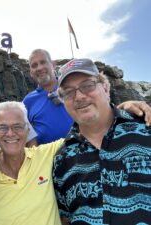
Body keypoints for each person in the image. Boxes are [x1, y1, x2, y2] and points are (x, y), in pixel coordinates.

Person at [0, 101, 151, 225]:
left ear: (27, 129)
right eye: (2, 127)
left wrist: (119, 107)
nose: (10, 133)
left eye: (18, 126)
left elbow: (88, 129)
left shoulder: (46, 154)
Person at [52, 58, 151, 225]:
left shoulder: (146, 129)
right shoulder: (61, 159)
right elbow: (65, 218)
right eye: (69, 91)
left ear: (105, 88)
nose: (79, 96)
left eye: (88, 85)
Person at [23, 49, 151, 145]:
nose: (39, 68)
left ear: (53, 64)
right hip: (56, 166)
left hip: (99, 147)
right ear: (30, 72)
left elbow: (99, 110)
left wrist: (123, 108)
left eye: (43, 62)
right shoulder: (27, 102)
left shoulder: (141, 134)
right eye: (34, 65)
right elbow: (26, 136)